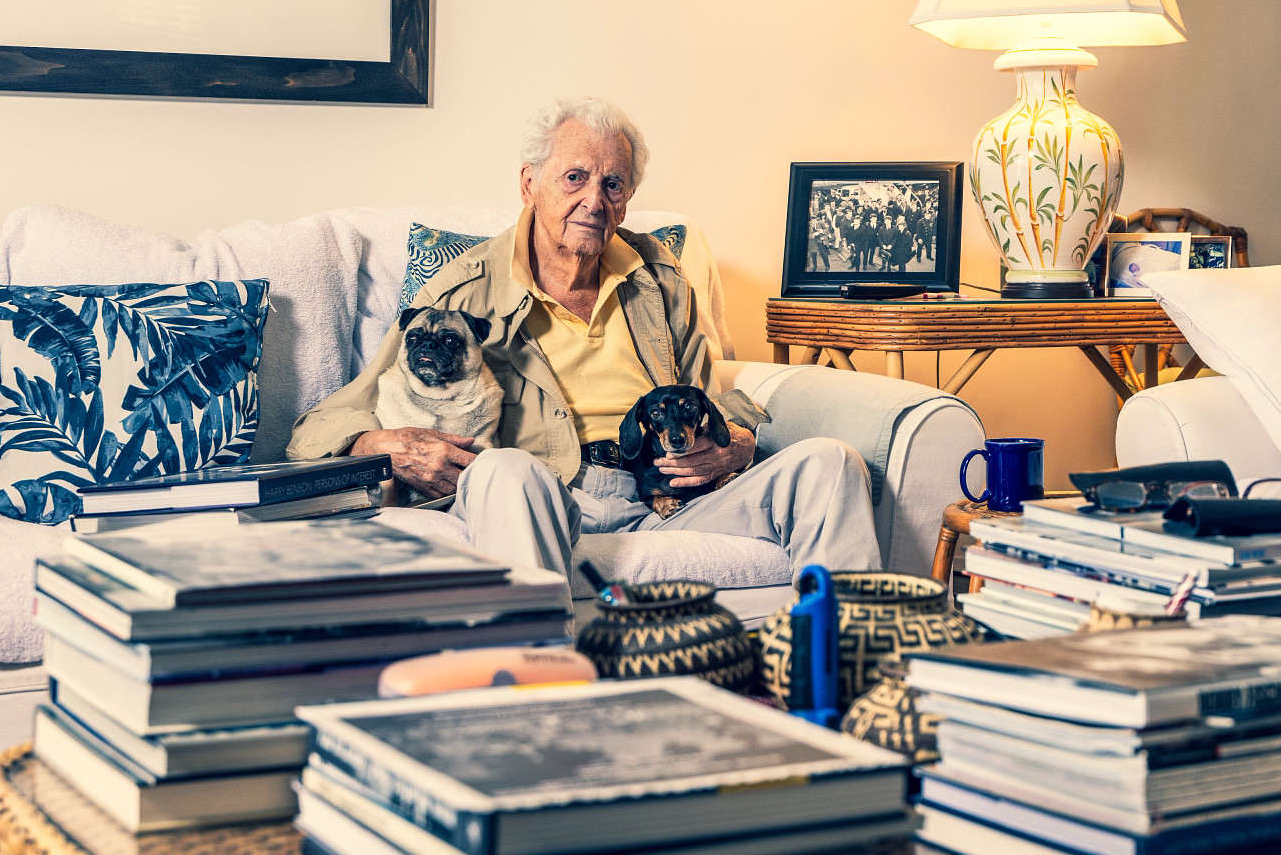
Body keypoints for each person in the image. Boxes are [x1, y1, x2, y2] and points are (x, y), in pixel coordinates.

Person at [287, 98, 882, 580]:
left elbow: (708, 396)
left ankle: (852, 681)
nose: (593, 201)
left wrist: (736, 444)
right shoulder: (461, 291)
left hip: (663, 494)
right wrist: (384, 445)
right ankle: (545, 690)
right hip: (544, 498)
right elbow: (317, 428)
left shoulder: (662, 280)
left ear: (626, 201)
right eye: (574, 177)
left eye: (613, 184)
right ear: (529, 184)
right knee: (504, 471)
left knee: (830, 463)